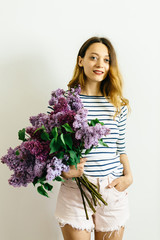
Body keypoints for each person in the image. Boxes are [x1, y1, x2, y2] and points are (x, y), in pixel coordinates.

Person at [54, 36, 133, 240]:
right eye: (93, 58)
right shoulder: (65, 102)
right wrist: (65, 172)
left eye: (106, 60)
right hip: (76, 189)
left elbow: (120, 148)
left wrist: (129, 177)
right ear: (81, 60)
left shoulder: (118, 103)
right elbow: (53, 151)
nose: (100, 65)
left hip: (111, 189)